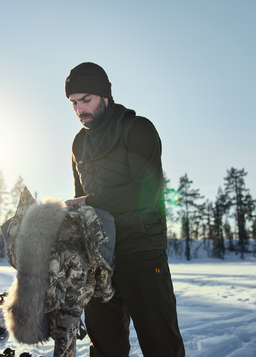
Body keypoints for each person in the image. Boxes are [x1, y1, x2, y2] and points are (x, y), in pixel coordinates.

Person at [63, 62, 185, 357]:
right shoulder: (79, 143)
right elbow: (82, 202)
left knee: (161, 345)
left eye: (86, 100)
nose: (80, 110)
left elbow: (145, 193)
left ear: (105, 96)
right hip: (99, 259)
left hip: (142, 254)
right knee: (105, 349)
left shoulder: (138, 129)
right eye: (73, 103)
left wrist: (89, 203)